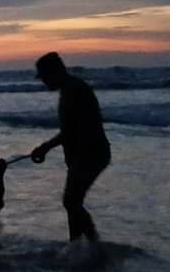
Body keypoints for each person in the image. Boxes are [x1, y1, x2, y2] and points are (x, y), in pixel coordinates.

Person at [30, 52, 110, 242]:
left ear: (54, 72)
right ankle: (77, 244)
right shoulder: (72, 88)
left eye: (44, 77)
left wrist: (45, 148)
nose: (44, 82)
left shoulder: (73, 91)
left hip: (90, 154)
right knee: (73, 202)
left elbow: (71, 131)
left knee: (71, 202)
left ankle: (92, 244)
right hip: (87, 154)